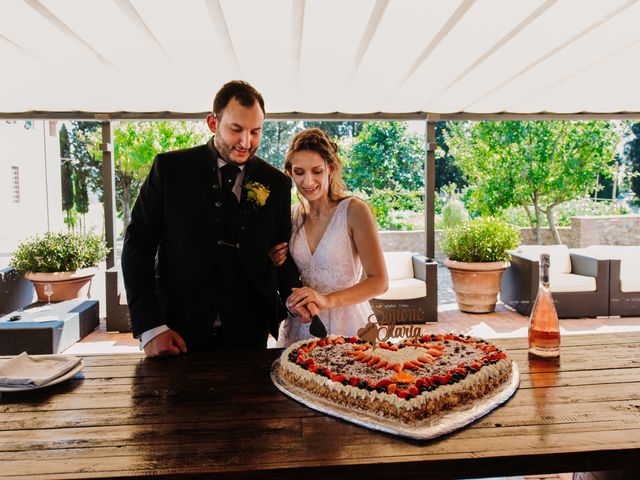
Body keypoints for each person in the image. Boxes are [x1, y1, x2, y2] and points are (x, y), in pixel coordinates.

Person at [121, 80, 304, 356]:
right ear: (212, 122)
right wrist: (150, 327)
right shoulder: (170, 170)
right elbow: (138, 245)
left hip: (250, 333)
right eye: (236, 129)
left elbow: (280, 253)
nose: (246, 142)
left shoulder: (276, 183)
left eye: (255, 132)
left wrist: (295, 296)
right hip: (176, 330)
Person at [270, 128, 388, 347]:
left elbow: (379, 281)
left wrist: (326, 300)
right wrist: (274, 263)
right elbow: (287, 274)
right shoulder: (291, 216)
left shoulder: (354, 210)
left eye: (317, 171)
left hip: (349, 325)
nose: (308, 181)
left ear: (330, 169)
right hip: (301, 326)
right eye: (299, 172)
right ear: (289, 173)